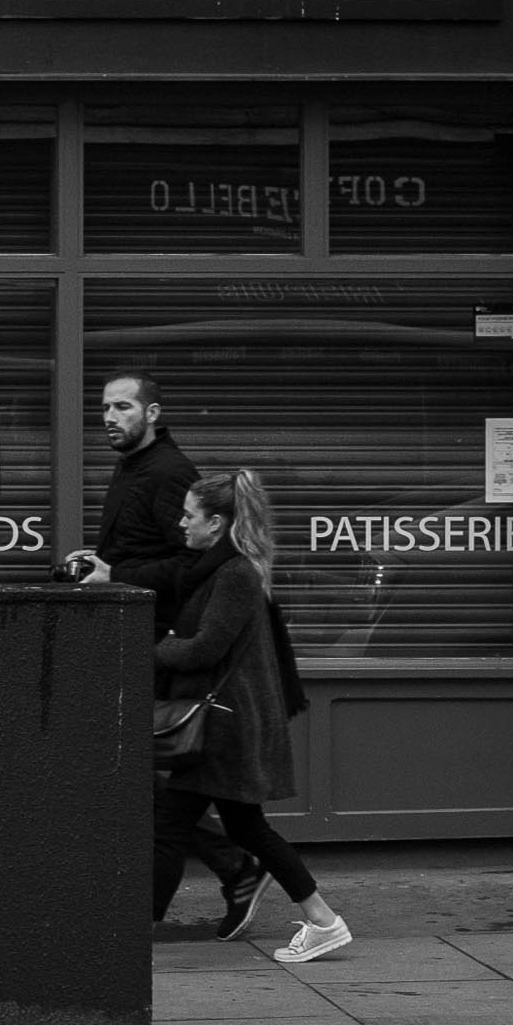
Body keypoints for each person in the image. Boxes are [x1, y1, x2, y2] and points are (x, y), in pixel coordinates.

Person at [63, 371, 266, 938]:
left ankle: (230, 873)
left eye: (123, 407)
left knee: (155, 783)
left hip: (157, 650)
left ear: (152, 413)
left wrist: (115, 573)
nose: (109, 416)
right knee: (147, 783)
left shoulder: (169, 472)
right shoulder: (134, 467)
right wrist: (103, 561)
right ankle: (234, 869)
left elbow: (188, 567)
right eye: (104, 407)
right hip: (137, 643)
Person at [152, 469, 350, 964]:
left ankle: (131, 938)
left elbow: (205, 649)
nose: (181, 524)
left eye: (189, 515)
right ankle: (323, 919)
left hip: (227, 727)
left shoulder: (236, 574)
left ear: (216, 523)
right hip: (225, 724)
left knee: (171, 825)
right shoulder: (220, 570)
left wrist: (156, 648)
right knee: (242, 828)